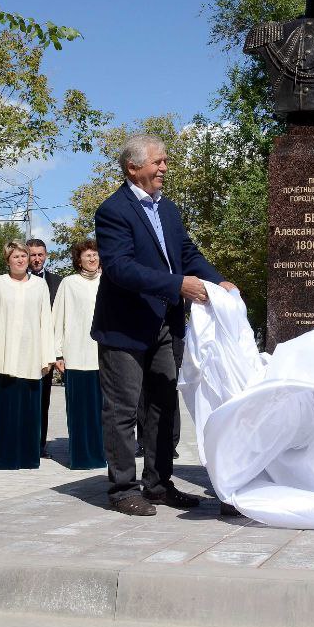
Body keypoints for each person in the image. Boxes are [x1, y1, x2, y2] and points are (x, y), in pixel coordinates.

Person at [92, 133, 235, 516]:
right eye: (158, 162)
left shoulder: (167, 209)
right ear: (133, 167)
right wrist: (177, 285)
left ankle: (157, 484)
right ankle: (122, 489)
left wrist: (216, 280)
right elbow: (120, 268)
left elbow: (187, 253)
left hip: (165, 323)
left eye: (165, 162)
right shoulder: (112, 211)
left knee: (162, 405)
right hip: (124, 326)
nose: (164, 169)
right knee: (123, 410)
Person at [0, 241, 53, 470]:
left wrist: (47, 357)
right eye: (16, 257)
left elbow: (46, 322)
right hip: (4, 357)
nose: (21, 260)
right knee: (6, 411)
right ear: (7, 260)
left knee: (30, 412)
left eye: (24, 256)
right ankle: (5, 457)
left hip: (31, 358)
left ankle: (28, 457)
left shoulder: (40, 286)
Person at [53, 239, 103, 470]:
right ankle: (82, 458)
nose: (92, 259)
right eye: (87, 255)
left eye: (95, 254)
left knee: (104, 411)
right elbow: (58, 318)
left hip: (105, 357)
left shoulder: (109, 281)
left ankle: (104, 455)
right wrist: (58, 353)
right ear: (78, 260)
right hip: (77, 355)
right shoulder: (68, 283)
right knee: (79, 410)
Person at [26, 237, 63, 458]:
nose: (37, 259)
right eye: (33, 254)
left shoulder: (58, 283)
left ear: (46, 256)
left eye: (41, 254)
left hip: (45, 350)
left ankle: (40, 444)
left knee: (43, 399)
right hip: (20, 349)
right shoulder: (11, 279)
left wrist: (58, 353)